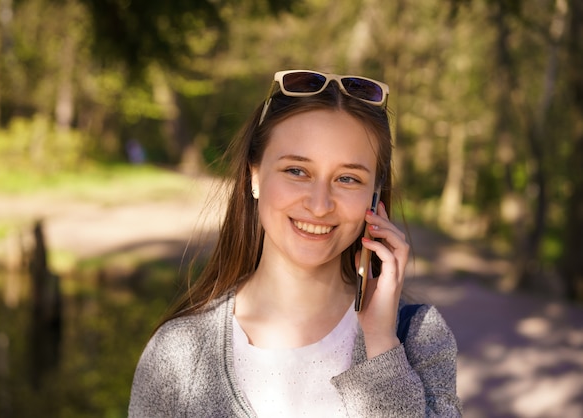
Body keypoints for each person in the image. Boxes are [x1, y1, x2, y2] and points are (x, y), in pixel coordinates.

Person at [129, 70, 462, 417]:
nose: (319, 205)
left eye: (347, 178)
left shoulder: (419, 339)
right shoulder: (177, 354)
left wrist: (381, 346)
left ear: (375, 195)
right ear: (254, 177)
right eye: (296, 171)